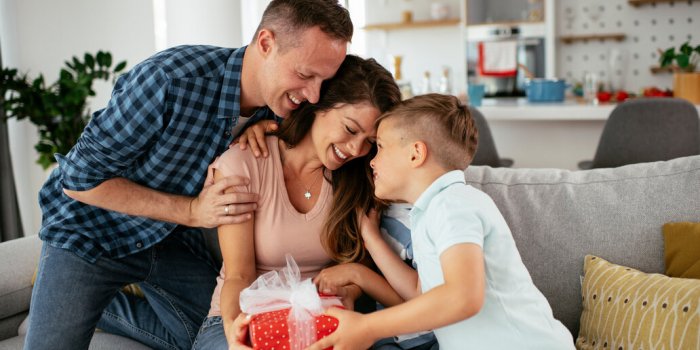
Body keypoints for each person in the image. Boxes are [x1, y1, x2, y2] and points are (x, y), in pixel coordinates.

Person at [25, 1, 352, 349]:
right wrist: (193, 211)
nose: (314, 94)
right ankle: (62, 292)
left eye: (324, 80)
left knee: (209, 337)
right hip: (91, 232)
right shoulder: (169, 80)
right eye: (305, 75)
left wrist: (268, 138)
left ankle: (107, 307)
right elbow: (77, 179)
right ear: (266, 43)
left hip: (167, 241)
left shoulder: (287, 111)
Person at [307, 94, 575, 350]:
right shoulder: (429, 212)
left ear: (415, 154)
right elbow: (420, 293)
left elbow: (463, 297)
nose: (372, 161)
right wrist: (372, 240)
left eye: (381, 147)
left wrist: (368, 327)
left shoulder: (454, 204)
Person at [191, 54, 402, 350]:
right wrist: (233, 331)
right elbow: (239, 274)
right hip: (246, 318)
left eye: (370, 141)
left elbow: (360, 264)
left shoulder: (361, 179)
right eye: (351, 129)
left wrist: (349, 293)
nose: (356, 149)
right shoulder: (244, 164)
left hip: (322, 320)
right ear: (319, 105)